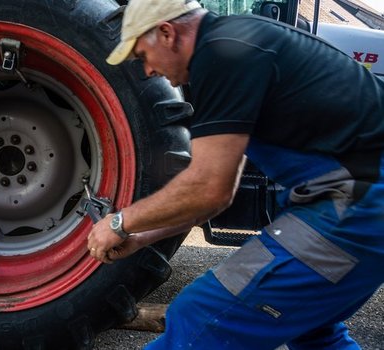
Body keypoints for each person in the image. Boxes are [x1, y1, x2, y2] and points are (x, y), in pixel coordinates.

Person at [86, 0, 384, 348]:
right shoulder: (237, 44)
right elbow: (218, 194)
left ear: (166, 33)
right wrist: (142, 237)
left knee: (201, 318)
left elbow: (206, 187)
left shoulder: (224, 53)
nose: (148, 70)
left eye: (142, 55)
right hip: (357, 206)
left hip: (358, 206)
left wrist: (121, 223)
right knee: (313, 333)